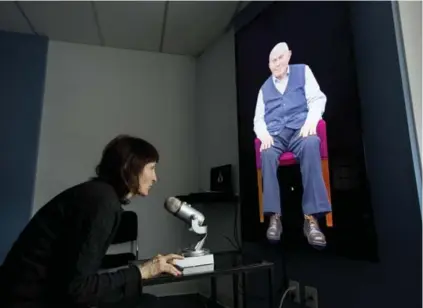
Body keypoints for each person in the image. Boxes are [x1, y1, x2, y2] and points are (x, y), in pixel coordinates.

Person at [0, 135, 183, 308]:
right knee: (147, 304)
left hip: (34, 296)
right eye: (151, 168)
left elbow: (74, 282)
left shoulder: (97, 196)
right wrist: (144, 271)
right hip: (31, 302)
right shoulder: (101, 203)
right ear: (130, 167)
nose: (155, 177)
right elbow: (77, 289)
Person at [253, 42, 331, 248]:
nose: (277, 63)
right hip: (276, 134)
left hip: (300, 129)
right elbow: (258, 120)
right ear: (268, 64)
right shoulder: (264, 88)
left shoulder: (303, 71)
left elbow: (317, 99)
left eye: (280, 58)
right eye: (273, 60)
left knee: (312, 143)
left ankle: (311, 219)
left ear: (288, 56)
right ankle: (274, 217)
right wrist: (263, 134)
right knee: (267, 154)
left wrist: (311, 122)